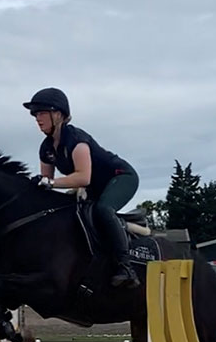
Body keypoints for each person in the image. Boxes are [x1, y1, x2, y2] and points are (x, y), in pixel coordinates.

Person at [23, 87, 140, 288]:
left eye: (42, 113)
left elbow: (83, 177)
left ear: (58, 115)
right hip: (96, 187)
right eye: (35, 115)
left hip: (121, 177)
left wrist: (49, 183)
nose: (37, 119)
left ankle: (126, 268)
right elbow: (46, 183)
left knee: (103, 210)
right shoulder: (46, 148)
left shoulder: (76, 139)